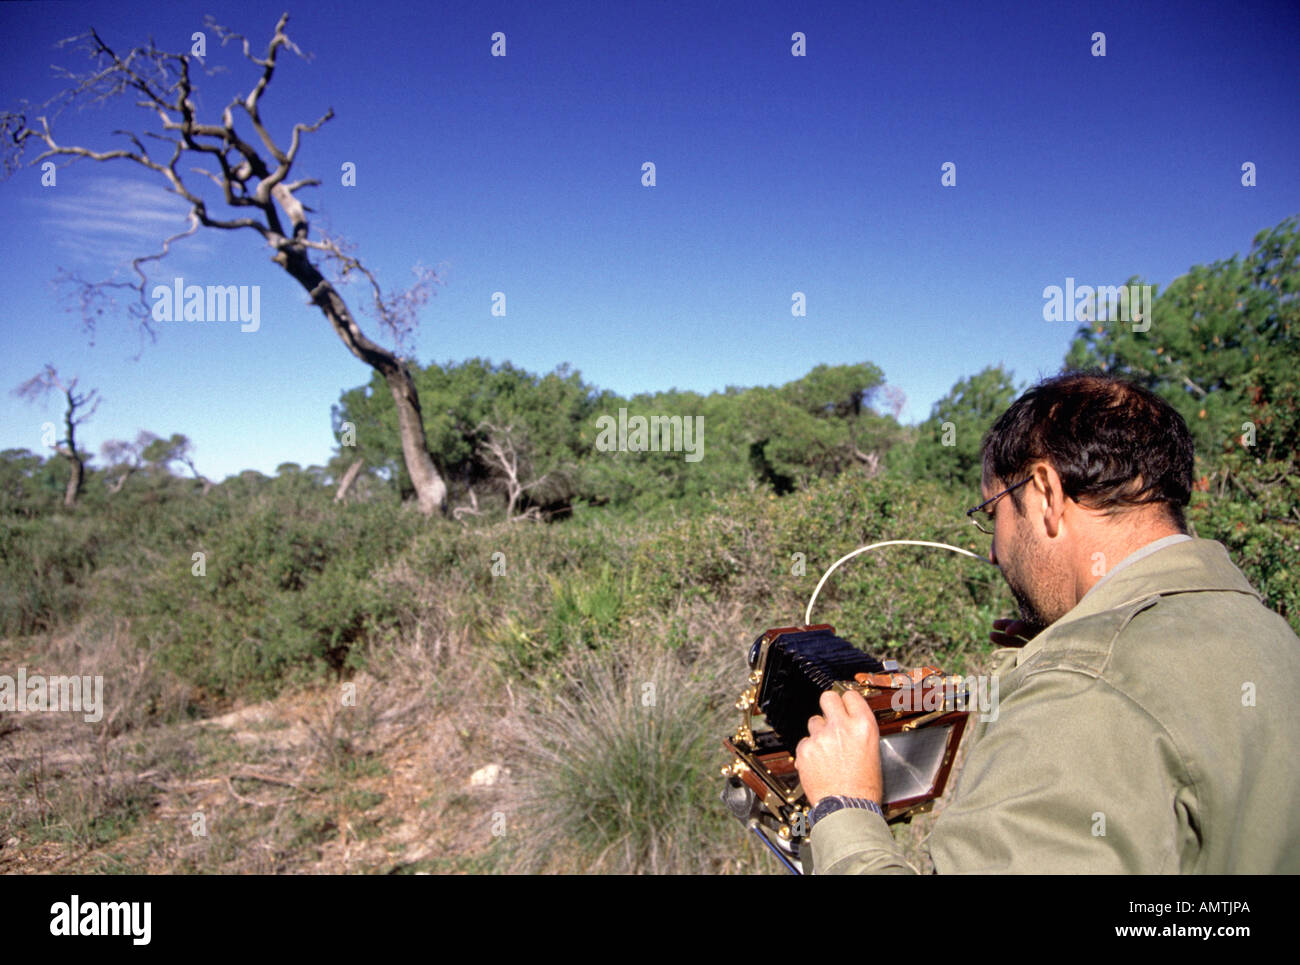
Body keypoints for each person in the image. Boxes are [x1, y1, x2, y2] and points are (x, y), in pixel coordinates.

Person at [794, 372, 1300, 873]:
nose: (993, 553)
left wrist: (847, 810)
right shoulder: (1268, 632)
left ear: (1045, 493)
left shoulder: (1083, 689)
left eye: (992, 514)